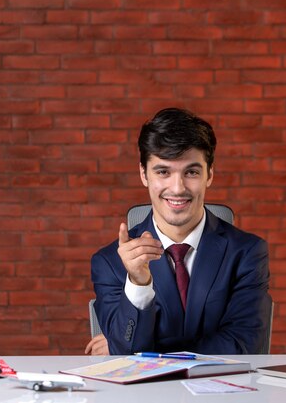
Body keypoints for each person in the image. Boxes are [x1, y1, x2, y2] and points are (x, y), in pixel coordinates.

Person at [85, 107, 272, 355]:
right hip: (145, 395)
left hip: (223, 392)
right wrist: (139, 283)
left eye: (191, 172)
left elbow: (243, 346)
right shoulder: (110, 262)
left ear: (209, 175)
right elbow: (126, 355)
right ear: (144, 174)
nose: (178, 188)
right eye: (163, 172)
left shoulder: (246, 252)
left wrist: (151, 351)